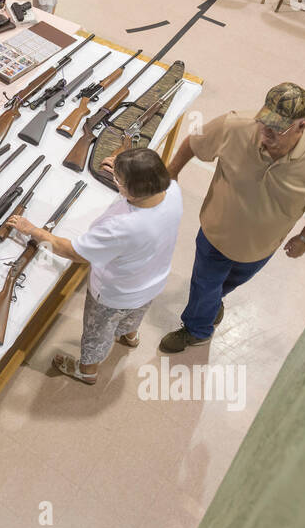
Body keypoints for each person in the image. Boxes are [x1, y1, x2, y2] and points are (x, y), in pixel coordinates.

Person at [159, 83, 305, 353]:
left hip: (261, 246)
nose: (266, 132)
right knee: (205, 282)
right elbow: (194, 142)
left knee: (225, 284)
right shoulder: (235, 125)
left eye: (277, 128)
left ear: (301, 127)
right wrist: (171, 173)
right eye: (264, 123)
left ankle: (214, 302)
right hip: (217, 231)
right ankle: (197, 330)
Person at [9, 148, 182, 383]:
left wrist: (32, 230)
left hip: (114, 293)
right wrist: (124, 171)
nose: (115, 181)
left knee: (97, 333)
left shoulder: (122, 227)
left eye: (118, 180)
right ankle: (129, 336)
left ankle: (87, 370)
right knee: (133, 316)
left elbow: (72, 251)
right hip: (152, 281)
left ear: (130, 188)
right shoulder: (172, 189)